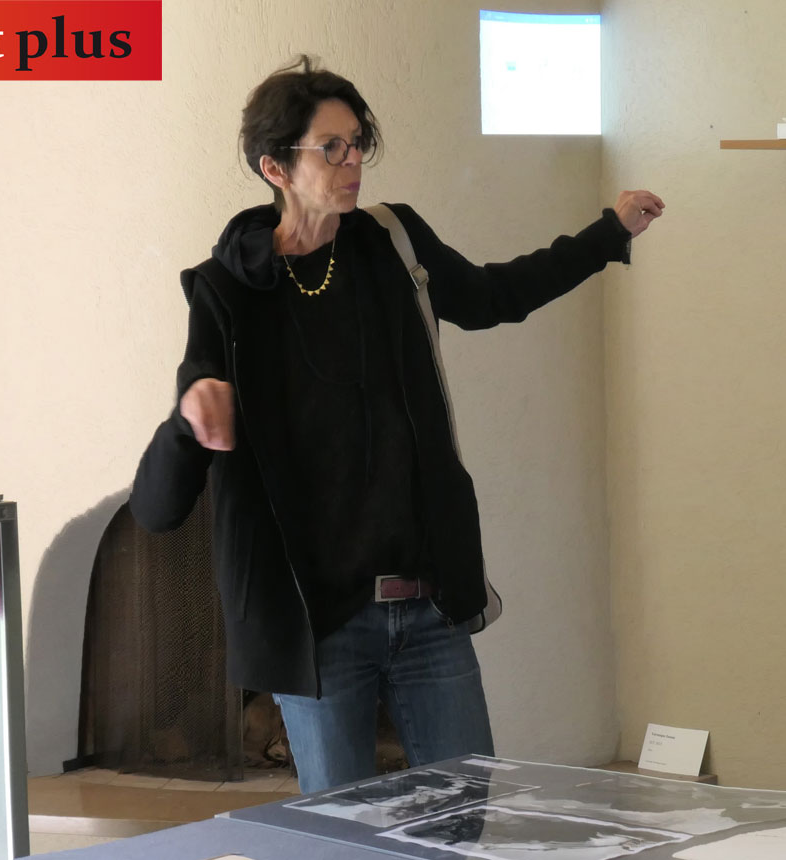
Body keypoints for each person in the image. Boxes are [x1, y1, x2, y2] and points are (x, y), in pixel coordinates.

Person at [129, 55, 664, 794]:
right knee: (346, 837)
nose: (353, 162)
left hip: (427, 608)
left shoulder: (392, 242)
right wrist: (188, 422)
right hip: (317, 627)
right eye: (331, 148)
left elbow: (494, 296)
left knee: (463, 819)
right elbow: (158, 507)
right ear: (275, 167)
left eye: (358, 144)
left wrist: (608, 234)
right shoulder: (228, 294)